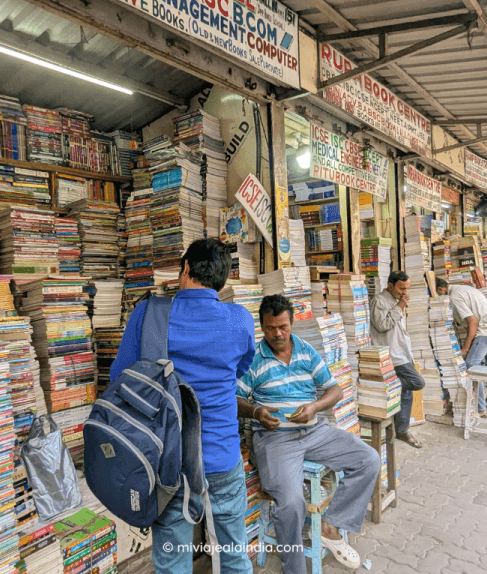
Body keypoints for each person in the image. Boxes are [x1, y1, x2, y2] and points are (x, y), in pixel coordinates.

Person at [110, 238, 256, 574]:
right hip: (221, 455)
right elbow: (240, 370)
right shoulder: (240, 320)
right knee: (234, 553)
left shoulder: (148, 313)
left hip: (167, 461)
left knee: (172, 560)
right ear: (224, 279)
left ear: (186, 268)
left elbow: (121, 378)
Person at [236, 295, 380, 573]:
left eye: (283, 326)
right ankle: (295, 568)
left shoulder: (305, 351)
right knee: (290, 503)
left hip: (314, 431)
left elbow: (335, 390)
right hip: (275, 438)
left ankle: (331, 526)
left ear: (291, 323)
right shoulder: (253, 359)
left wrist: (314, 406)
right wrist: (255, 413)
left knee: (369, 459)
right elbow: (235, 398)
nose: (277, 334)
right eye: (270, 328)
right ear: (261, 326)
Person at [435, 278, 487, 414]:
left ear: (441, 290)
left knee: (472, 365)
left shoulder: (455, 296)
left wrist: (466, 347)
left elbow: (473, 321)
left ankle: (479, 408)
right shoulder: (464, 288)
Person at [370, 271, 426, 448]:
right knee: (416, 382)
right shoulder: (380, 301)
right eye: (401, 288)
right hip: (392, 355)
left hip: (402, 353)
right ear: (390, 286)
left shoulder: (396, 301)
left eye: (407, 289)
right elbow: (382, 325)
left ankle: (402, 430)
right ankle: (390, 386)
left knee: (406, 393)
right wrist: (399, 307)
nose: (404, 292)